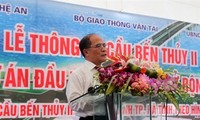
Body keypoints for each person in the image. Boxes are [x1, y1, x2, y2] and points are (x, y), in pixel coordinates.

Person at [66, 33, 108, 120]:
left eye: (104, 45)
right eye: (98, 46)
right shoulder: (78, 74)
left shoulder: (109, 72)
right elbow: (74, 104)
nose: (104, 49)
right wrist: (101, 97)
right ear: (86, 52)